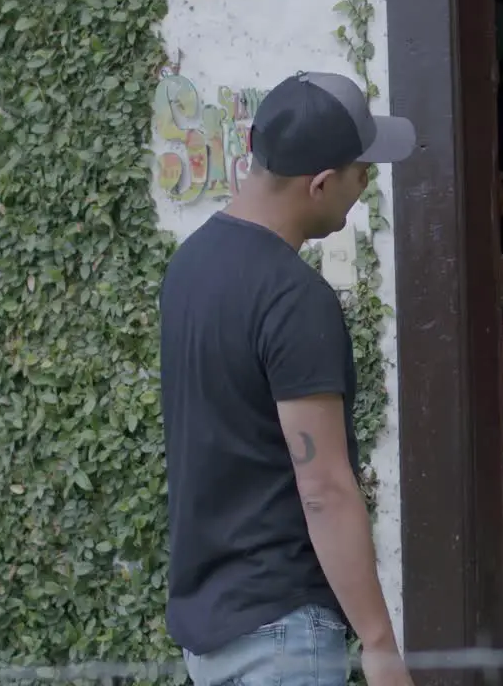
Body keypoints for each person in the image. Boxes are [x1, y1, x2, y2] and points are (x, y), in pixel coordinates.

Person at [160, 71, 418, 686]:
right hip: (281, 633)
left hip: (210, 628)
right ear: (321, 183)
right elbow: (323, 486)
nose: (364, 187)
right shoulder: (293, 297)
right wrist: (379, 644)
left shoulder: (188, 267)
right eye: (362, 173)